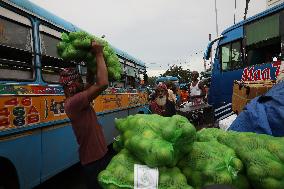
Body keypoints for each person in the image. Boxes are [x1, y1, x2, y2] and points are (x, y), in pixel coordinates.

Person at [60, 41, 110, 189]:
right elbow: (102, 83)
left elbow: (90, 81)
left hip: (99, 157)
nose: (81, 84)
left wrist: (90, 60)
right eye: (78, 81)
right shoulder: (73, 102)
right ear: (72, 85)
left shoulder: (77, 99)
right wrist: (99, 53)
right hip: (94, 162)